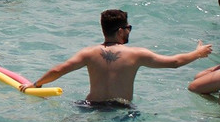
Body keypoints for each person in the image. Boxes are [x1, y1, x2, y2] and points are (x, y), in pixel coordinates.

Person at [19, 9, 212, 107]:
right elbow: (175, 63)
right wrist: (198, 53)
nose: (129, 31)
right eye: (128, 28)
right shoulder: (136, 54)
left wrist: (35, 85)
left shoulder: (88, 53)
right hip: (121, 110)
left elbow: (58, 70)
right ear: (120, 31)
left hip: (90, 107)